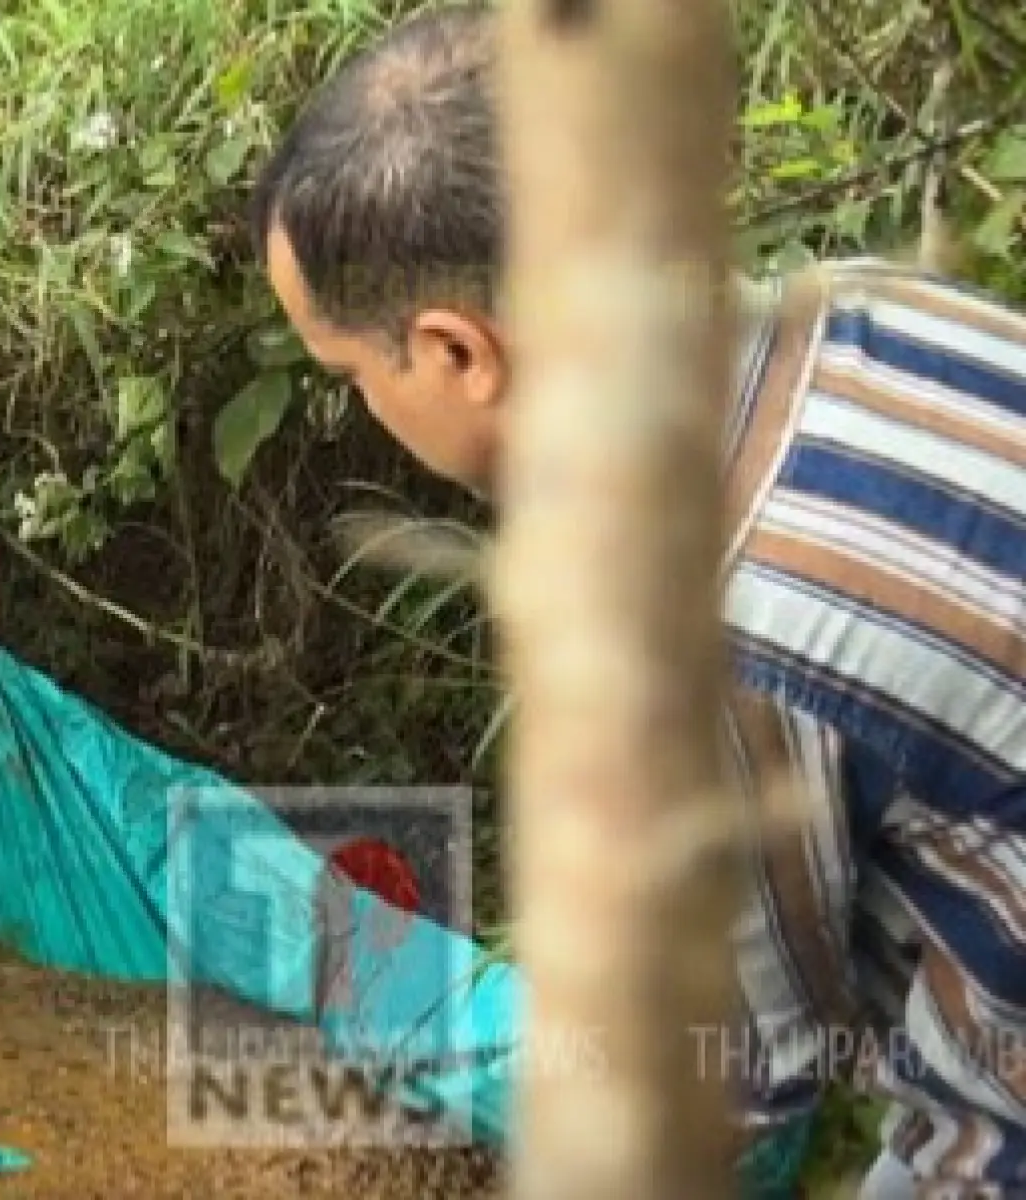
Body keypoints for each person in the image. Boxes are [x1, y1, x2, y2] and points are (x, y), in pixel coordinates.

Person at [247, 7, 1026, 1196]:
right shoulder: (850, 310)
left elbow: (735, 1081)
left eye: (352, 374)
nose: (364, 409)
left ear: (460, 352)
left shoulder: (709, 634)